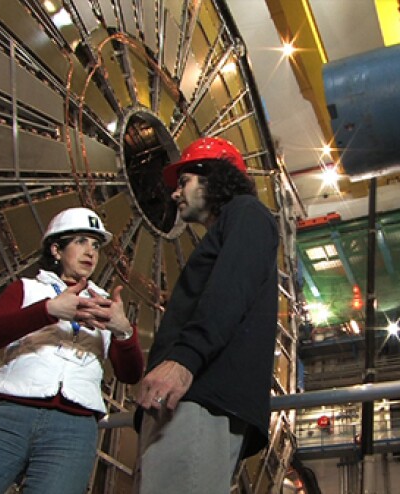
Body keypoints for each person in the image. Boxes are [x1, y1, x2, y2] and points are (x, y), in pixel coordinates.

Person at [0, 207, 144, 494]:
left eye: (95, 245)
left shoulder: (105, 305)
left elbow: (129, 375)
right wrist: (47, 311)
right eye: (80, 241)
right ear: (56, 249)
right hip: (8, 416)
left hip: (74, 429)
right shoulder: (28, 289)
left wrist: (124, 331)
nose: (91, 252)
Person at [134, 136, 280, 493]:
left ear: (213, 178)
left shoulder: (247, 212)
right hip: (191, 397)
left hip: (199, 396)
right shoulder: (234, 225)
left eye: (184, 181)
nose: (174, 193)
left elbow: (231, 290)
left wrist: (184, 359)